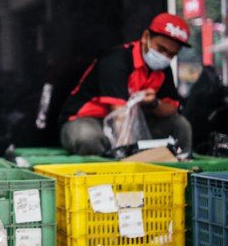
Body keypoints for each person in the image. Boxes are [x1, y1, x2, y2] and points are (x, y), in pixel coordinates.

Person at [58, 12, 193, 155]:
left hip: (135, 124)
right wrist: (131, 157)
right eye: (161, 49)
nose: (165, 57)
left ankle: (181, 168)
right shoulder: (116, 60)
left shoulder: (163, 69)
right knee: (88, 138)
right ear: (146, 37)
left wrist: (154, 103)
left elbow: (171, 108)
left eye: (171, 54)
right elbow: (119, 117)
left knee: (180, 125)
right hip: (89, 120)